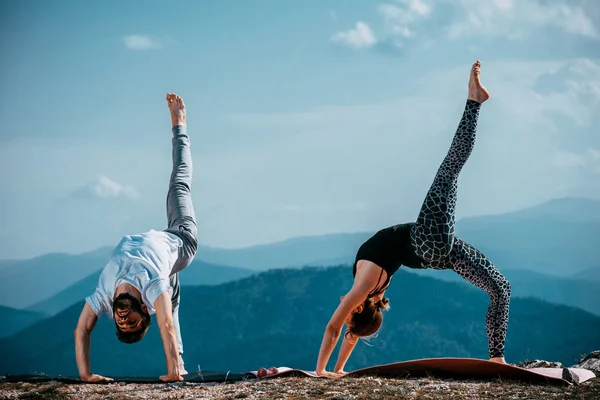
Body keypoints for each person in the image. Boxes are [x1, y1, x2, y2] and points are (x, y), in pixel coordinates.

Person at [315, 61, 511, 378]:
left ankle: (497, 358)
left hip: (439, 254)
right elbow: (335, 328)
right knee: (450, 169)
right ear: (359, 309)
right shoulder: (363, 289)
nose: (345, 306)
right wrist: (320, 370)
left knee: (500, 288)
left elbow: (350, 333)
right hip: (428, 239)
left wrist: (339, 371)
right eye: (353, 312)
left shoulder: (371, 295)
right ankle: (474, 101)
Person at [74, 93, 198, 383]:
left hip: (163, 254)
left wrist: (86, 374)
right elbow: (165, 324)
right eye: (132, 321)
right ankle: (179, 125)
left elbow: (82, 330)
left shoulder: (105, 294)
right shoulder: (153, 286)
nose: (122, 318)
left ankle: (179, 363)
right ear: (145, 308)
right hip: (181, 240)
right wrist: (170, 374)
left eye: (122, 323)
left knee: (173, 298)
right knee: (179, 182)